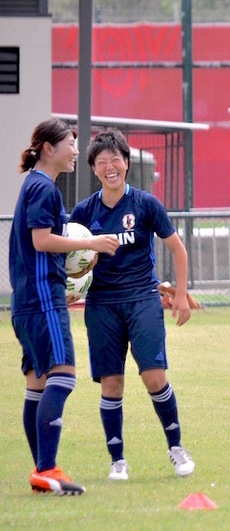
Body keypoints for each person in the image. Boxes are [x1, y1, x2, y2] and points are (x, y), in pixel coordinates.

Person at [69, 128, 195, 481]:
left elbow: (178, 249)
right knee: (112, 384)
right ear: (93, 168)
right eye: (101, 162)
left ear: (126, 163)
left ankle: (176, 448)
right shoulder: (83, 213)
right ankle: (117, 461)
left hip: (142, 300)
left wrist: (181, 294)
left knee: (155, 377)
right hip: (102, 305)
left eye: (115, 160)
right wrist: (84, 267)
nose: (110, 167)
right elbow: (73, 261)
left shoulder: (146, 204)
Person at [11, 118, 120, 495]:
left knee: (37, 385)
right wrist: (90, 245)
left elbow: (42, 247)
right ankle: (47, 468)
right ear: (47, 149)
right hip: (42, 300)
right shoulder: (44, 188)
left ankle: (42, 470)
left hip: (27, 300)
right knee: (64, 376)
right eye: (70, 144)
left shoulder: (35, 185)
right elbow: (42, 241)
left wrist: (75, 267)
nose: (76, 151)